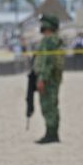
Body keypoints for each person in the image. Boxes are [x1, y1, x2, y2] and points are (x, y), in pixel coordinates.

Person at [33, 14, 64, 144]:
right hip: (53, 78)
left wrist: (42, 78)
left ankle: (51, 134)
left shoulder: (49, 40)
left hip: (48, 79)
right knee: (52, 105)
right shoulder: (55, 40)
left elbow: (47, 61)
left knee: (48, 106)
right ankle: (52, 133)